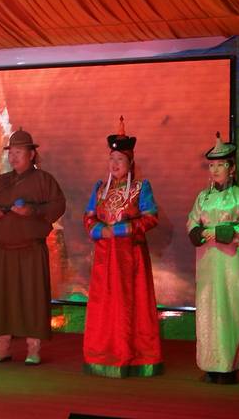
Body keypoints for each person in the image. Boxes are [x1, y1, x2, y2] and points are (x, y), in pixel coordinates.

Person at [83, 117, 162, 378]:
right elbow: (88, 217)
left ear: (130, 163)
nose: (115, 164)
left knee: (130, 305)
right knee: (104, 305)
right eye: (112, 159)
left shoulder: (140, 188)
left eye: (120, 159)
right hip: (105, 258)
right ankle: (102, 354)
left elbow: (151, 218)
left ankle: (134, 356)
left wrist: (122, 229)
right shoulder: (100, 189)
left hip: (131, 258)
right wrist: (99, 230)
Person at [0, 128, 66, 365]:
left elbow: (58, 205)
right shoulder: (2, 181)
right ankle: (2, 346)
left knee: (32, 297)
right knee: (2, 298)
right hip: (3, 250)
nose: (13, 157)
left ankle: (33, 349)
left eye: (19, 152)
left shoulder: (43, 180)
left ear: (32, 154)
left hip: (30, 249)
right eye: (11, 152)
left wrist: (32, 210)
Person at [187, 132, 239, 385]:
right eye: (212, 166)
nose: (215, 170)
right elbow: (192, 222)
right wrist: (198, 232)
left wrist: (221, 232)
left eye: (220, 165)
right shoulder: (203, 197)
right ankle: (210, 365)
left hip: (230, 261)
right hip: (207, 262)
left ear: (232, 168)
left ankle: (229, 367)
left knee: (231, 308)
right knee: (208, 308)